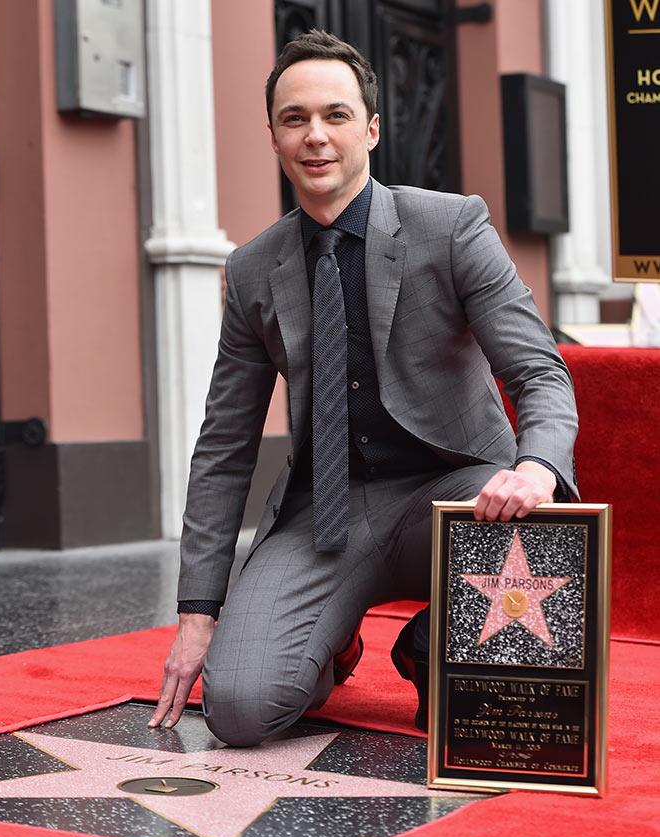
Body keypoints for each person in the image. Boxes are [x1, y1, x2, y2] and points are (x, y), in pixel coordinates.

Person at [148, 30, 578, 744]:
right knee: (241, 709)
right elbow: (224, 444)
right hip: (326, 515)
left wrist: (533, 468)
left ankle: (427, 642)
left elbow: (539, 371)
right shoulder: (253, 270)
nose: (316, 136)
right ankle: (335, 638)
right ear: (275, 137)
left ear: (371, 129)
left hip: (457, 493)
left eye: (336, 115)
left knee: (546, 530)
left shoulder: (451, 226)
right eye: (295, 119)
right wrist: (198, 609)